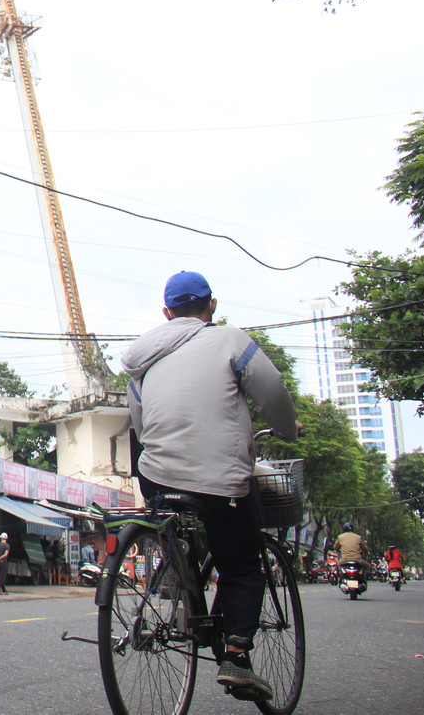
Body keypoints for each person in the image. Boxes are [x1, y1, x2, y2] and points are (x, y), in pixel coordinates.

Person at [122, 272, 297, 702]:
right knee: (240, 564)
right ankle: (236, 654)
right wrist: (288, 431)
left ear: (167, 313)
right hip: (220, 478)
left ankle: (183, 583)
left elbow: (141, 426)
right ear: (211, 306)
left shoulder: (140, 363)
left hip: (157, 475)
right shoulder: (230, 340)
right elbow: (271, 389)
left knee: (185, 524)